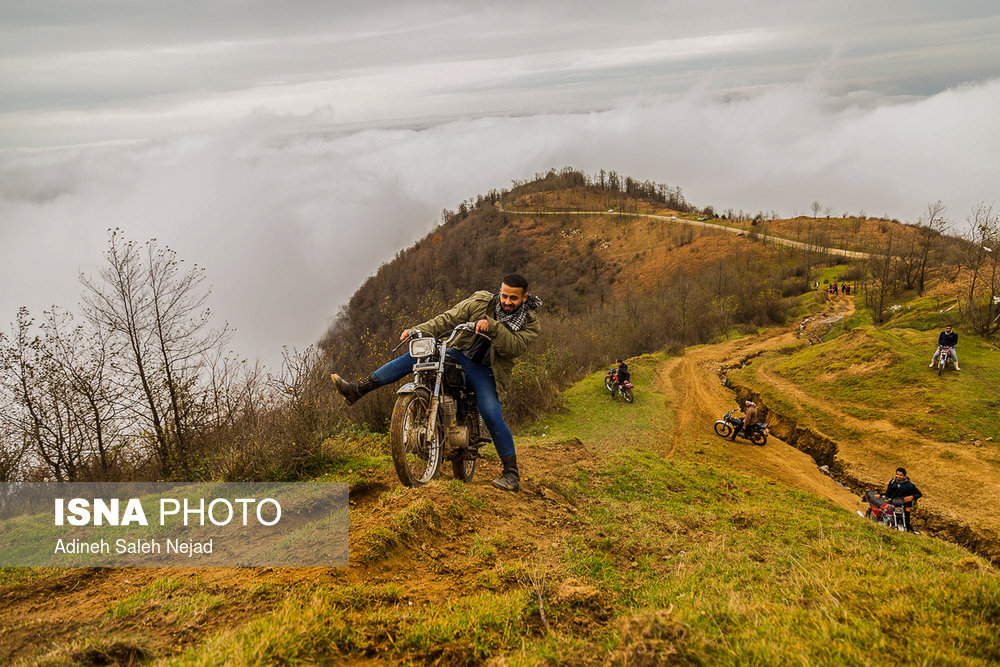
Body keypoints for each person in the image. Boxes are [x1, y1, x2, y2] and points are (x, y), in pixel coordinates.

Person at [331, 273, 541, 492]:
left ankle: (511, 474)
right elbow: (448, 319)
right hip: (459, 354)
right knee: (419, 355)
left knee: (491, 412)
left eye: (513, 298)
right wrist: (418, 330)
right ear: (500, 291)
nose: (507, 302)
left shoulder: (530, 322)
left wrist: (492, 326)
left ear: (524, 298)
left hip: (486, 370)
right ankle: (358, 389)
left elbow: (514, 347)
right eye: (504, 296)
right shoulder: (481, 301)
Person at [882, 467, 923, 532]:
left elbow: (919, 494)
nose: (898, 476)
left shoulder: (910, 485)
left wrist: (911, 497)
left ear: (904, 476)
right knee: (891, 519)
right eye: (897, 474)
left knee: (906, 521)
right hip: (894, 504)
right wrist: (881, 495)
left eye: (900, 475)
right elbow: (888, 493)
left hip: (905, 505)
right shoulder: (892, 483)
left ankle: (909, 532)